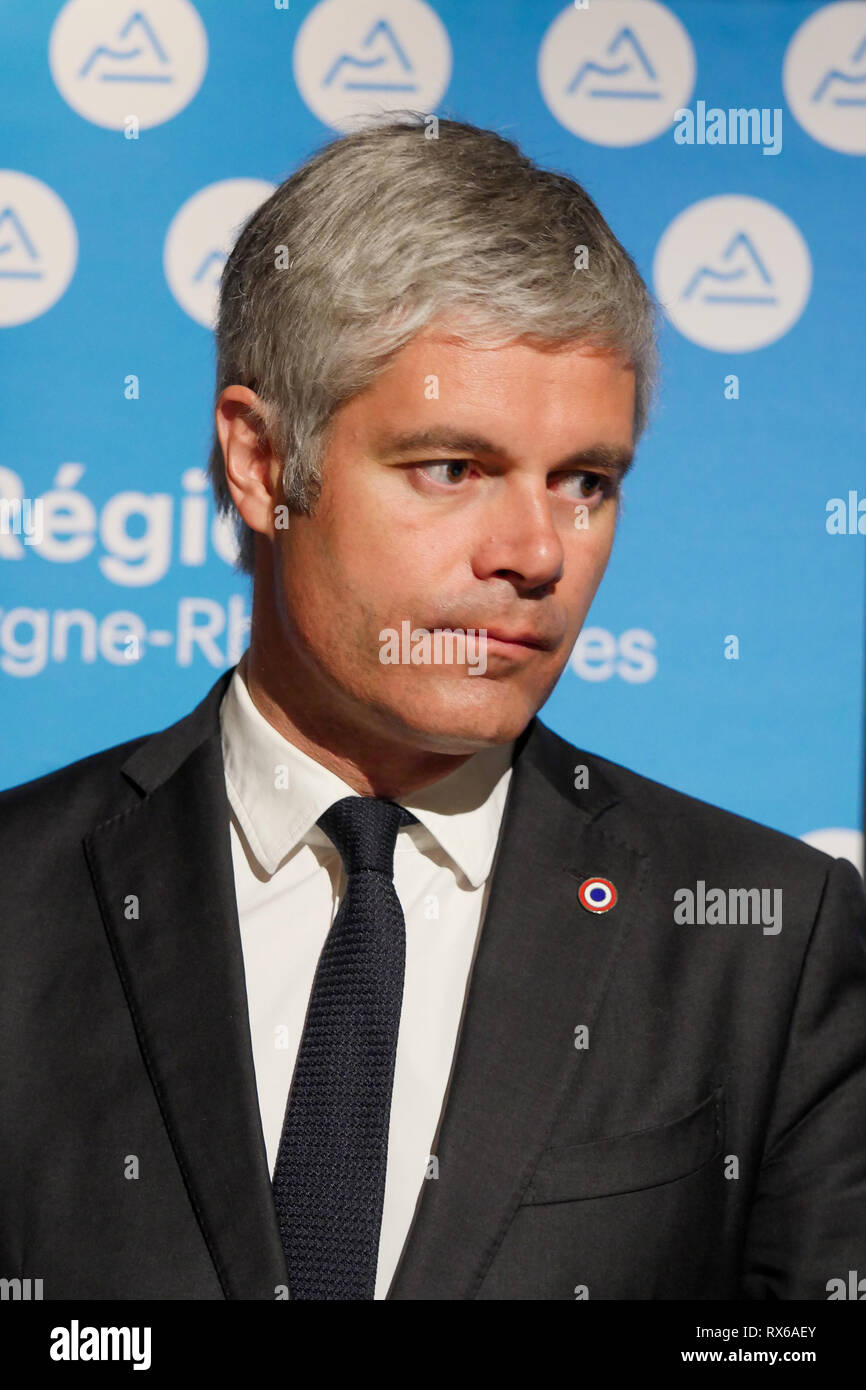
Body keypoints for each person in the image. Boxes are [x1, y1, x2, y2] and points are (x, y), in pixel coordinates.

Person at [1, 116, 864, 1302]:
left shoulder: (769, 942)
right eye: (451, 468)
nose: (534, 553)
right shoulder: (16, 903)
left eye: (584, 482)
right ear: (262, 465)